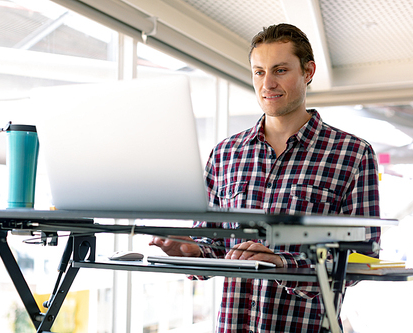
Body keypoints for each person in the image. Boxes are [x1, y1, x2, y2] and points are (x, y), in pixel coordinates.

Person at [150, 23, 380, 332]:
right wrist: (191, 251)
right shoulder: (225, 154)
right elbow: (214, 243)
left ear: (308, 71)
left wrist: (283, 264)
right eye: (259, 72)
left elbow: (362, 258)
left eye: (280, 70)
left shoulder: (353, 154)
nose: (267, 83)